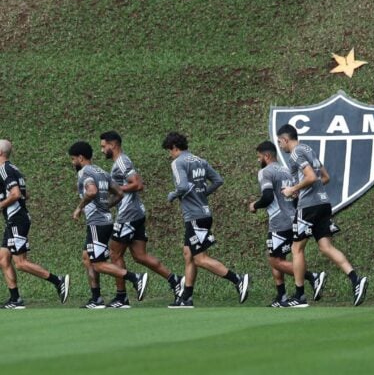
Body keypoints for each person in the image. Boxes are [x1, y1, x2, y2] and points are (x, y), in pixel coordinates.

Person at [276, 124, 368, 308]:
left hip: (308, 207)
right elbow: (324, 177)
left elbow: (310, 177)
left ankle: (300, 296)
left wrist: (293, 189)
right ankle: (356, 279)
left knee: (296, 250)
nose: (280, 146)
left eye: (280, 142)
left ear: (286, 139)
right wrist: (300, 191)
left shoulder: (295, 153)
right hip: (323, 203)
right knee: (326, 246)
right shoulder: (309, 149)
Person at [162, 132, 249, 308]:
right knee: (188, 254)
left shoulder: (178, 162)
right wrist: (202, 194)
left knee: (200, 258)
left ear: (175, 148)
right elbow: (218, 180)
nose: (169, 154)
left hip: (194, 216)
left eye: (169, 151)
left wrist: (173, 195)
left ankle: (238, 279)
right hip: (204, 214)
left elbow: (182, 186)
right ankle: (186, 297)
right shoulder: (200, 160)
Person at [100, 131, 184, 308]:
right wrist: (108, 203)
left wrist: (114, 188)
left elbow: (138, 184)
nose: (102, 150)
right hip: (135, 213)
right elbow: (123, 192)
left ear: (112, 145)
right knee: (140, 255)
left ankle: (121, 297)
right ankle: (176, 281)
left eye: (103, 146)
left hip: (128, 215)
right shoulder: (119, 162)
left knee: (115, 254)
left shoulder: (122, 161)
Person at [68, 141, 148, 309]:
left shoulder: (84, 172)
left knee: (97, 263)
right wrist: (107, 206)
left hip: (97, 224)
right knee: (87, 257)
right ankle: (96, 298)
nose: (72, 162)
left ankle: (135, 278)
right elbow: (119, 192)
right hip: (105, 221)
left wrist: (79, 208)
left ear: (81, 158)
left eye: (73, 159)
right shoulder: (101, 171)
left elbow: (91, 191)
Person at [249, 141, 326, 307]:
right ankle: (281, 296)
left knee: (275, 261)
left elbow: (268, 196)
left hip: (279, 221)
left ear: (267, 156)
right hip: (293, 219)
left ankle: (312, 277)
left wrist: (254, 205)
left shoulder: (265, 172)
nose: (258, 160)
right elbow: (296, 195)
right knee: (276, 257)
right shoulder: (286, 170)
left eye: (259, 157)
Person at [0, 139, 69, 309]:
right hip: (15, 219)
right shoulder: (14, 169)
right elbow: (25, 194)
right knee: (3, 259)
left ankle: (57, 280)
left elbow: (16, 194)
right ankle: (15, 299)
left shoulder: (3, 170)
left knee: (21, 263)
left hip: (17, 219)